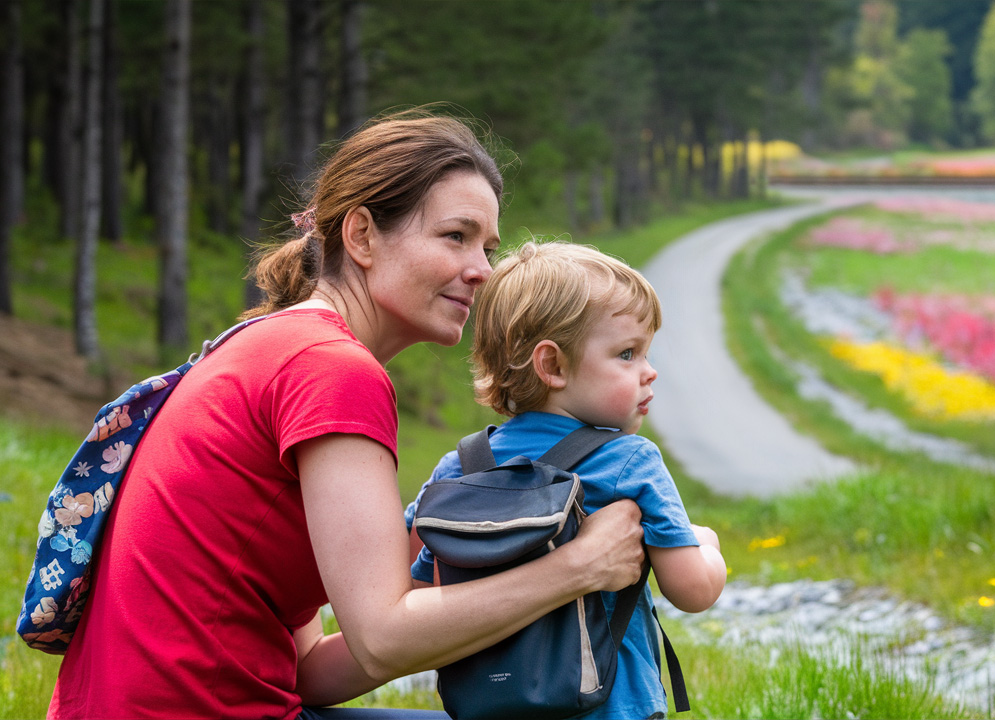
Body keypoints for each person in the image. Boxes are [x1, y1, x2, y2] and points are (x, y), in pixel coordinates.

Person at [46, 112, 646, 720]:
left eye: (487, 248)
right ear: (360, 236)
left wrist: (494, 576)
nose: (483, 271)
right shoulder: (332, 370)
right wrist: (576, 569)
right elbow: (383, 639)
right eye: (455, 237)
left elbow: (309, 670)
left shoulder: (269, 339)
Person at [406, 241, 728, 720]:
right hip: (610, 707)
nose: (649, 371)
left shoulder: (458, 469)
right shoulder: (629, 461)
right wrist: (707, 546)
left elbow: (418, 587)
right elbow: (694, 591)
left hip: (486, 708)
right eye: (627, 354)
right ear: (552, 365)